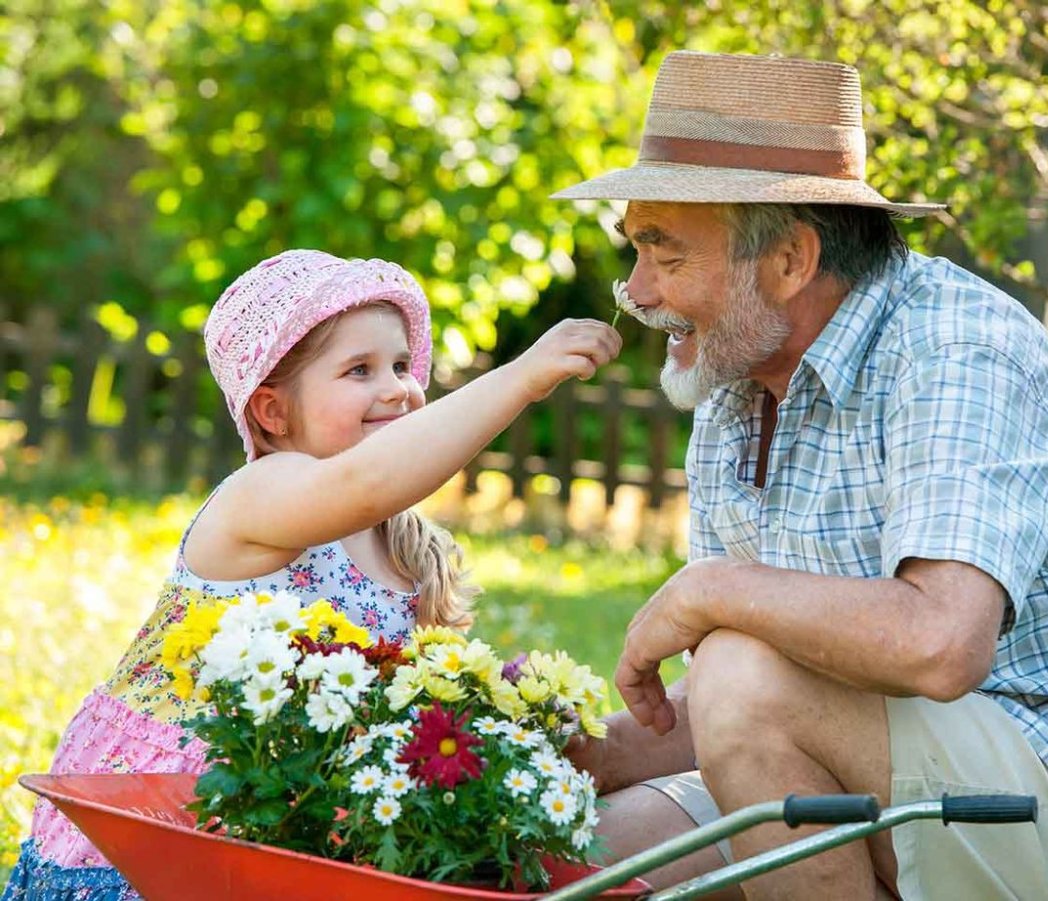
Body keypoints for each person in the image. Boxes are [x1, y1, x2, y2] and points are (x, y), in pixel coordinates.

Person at [555, 51, 1048, 900]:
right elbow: (748, 716)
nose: (635, 290)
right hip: (930, 784)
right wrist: (557, 751)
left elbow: (939, 643)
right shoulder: (733, 396)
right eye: (634, 249)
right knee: (566, 851)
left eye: (662, 253)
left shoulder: (955, 350)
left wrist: (708, 590)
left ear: (789, 260)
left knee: (743, 669)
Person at [2, 248, 621, 900]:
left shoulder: (395, 541)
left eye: (403, 364)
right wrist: (523, 376)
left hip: (281, 818)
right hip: (154, 818)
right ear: (272, 412)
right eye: (359, 369)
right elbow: (367, 481)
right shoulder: (260, 495)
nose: (398, 388)